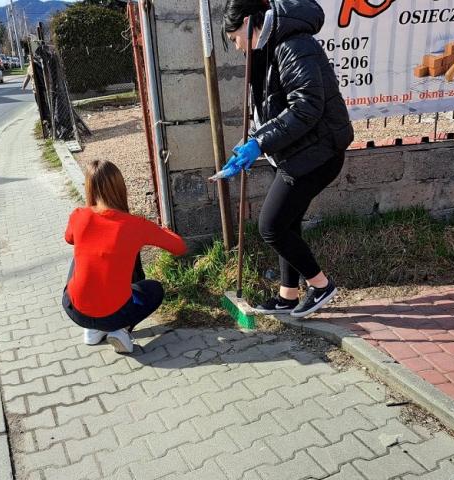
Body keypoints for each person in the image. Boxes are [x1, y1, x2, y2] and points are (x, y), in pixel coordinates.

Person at [220, 0, 354, 318]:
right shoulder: (268, 48)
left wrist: (258, 144)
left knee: (271, 226)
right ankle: (288, 296)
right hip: (301, 152)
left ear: (251, 22)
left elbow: (307, 106)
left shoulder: (293, 44)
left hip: (317, 154)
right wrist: (248, 145)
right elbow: (269, 109)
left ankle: (321, 286)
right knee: (287, 224)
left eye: (235, 37)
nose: (237, 46)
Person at [62, 160, 187, 354]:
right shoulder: (135, 225)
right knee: (154, 289)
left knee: (79, 258)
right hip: (116, 315)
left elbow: (69, 238)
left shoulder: (79, 215)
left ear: (89, 188)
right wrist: (158, 230)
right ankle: (120, 330)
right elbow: (179, 247)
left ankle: (93, 330)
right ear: (120, 188)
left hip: (75, 309)